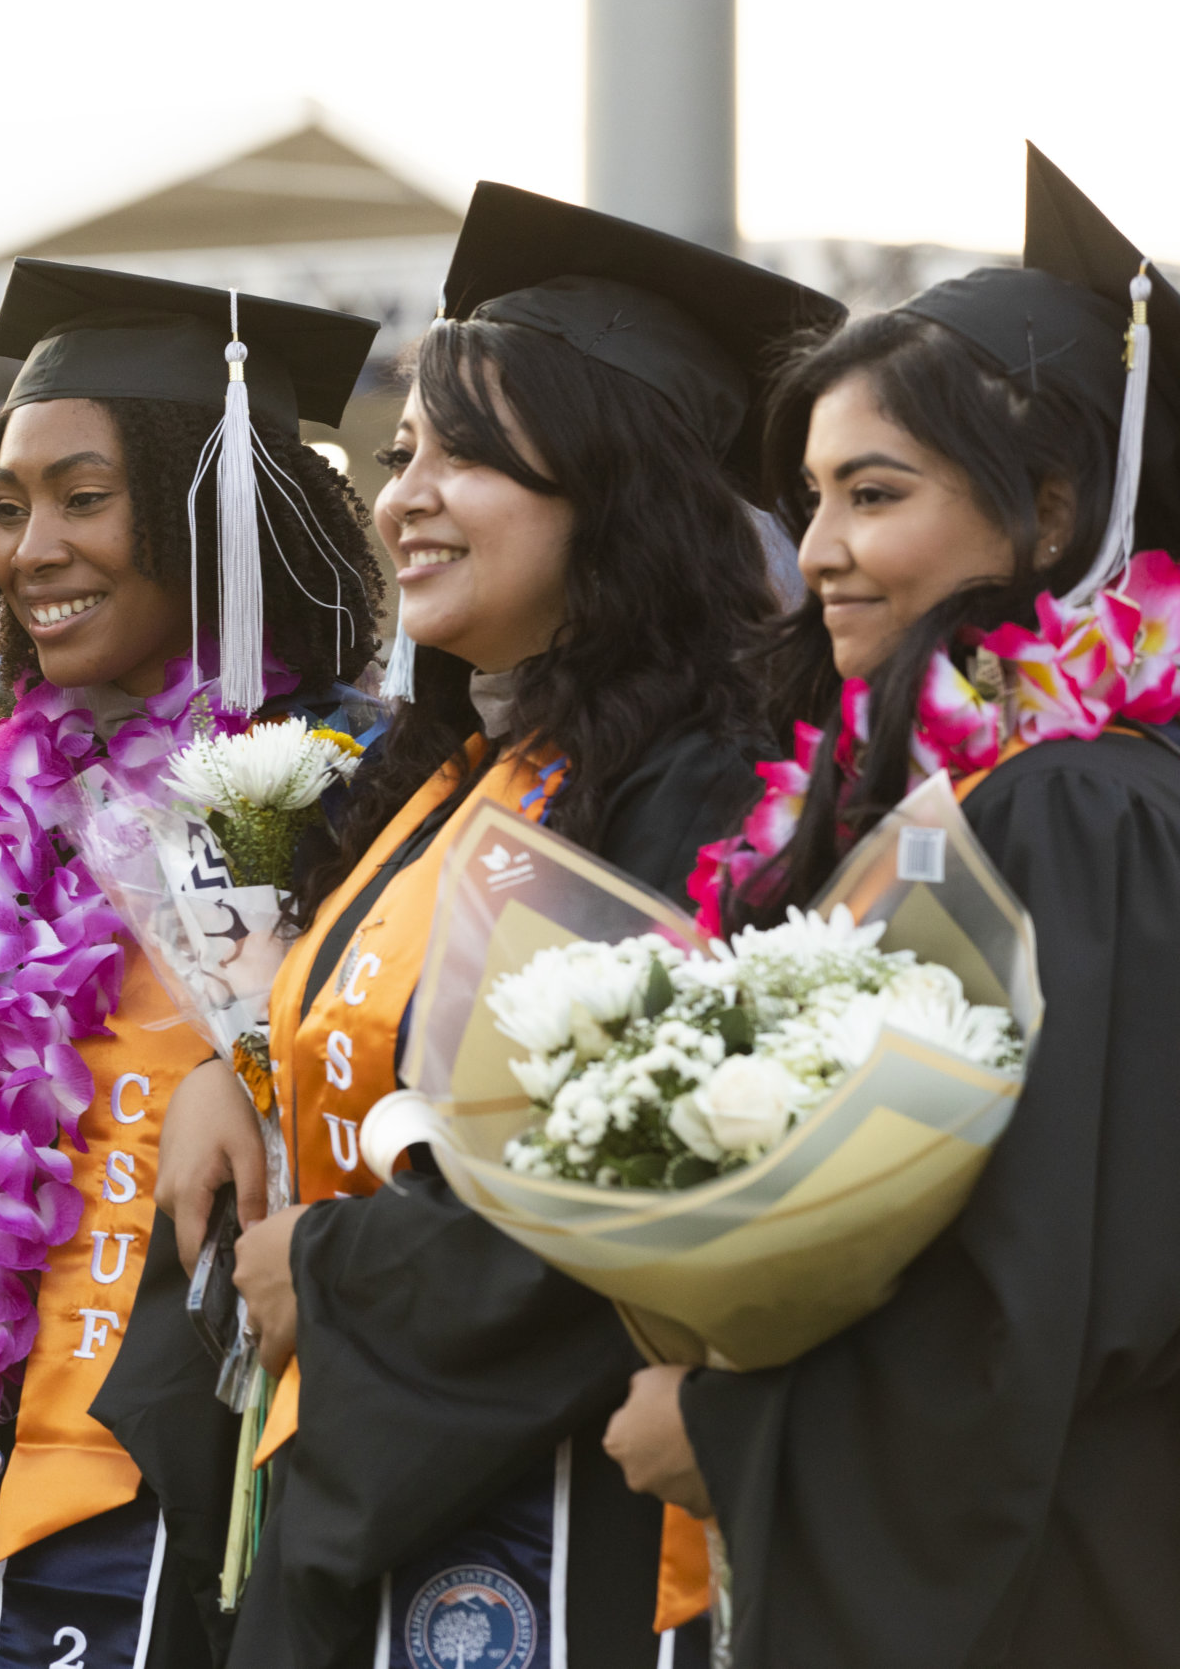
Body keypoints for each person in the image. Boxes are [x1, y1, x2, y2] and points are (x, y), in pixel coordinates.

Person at [197, 184, 843, 1669]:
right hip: (371, 1471)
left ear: (614, 492)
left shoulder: (708, 785)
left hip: (561, 1515)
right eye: (405, 450)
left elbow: (625, 1188)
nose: (407, 494)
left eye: (470, 456)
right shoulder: (450, 780)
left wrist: (337, 1274)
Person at [601, 145, 1180, 1669]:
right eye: (810, 499)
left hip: (1065, 1579)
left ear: (1053, 511)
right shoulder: (974, 806)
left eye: (875, 493)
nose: (820, 553)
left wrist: (735, 1422)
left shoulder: (1085, 813)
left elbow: (1056, 1306)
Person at [0, 259, 386, 1668]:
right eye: (7, 503)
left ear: (207, 507)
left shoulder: (348, 790)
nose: (26, 545)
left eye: (81, 496)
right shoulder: (19, 806)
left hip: (204, 1482)